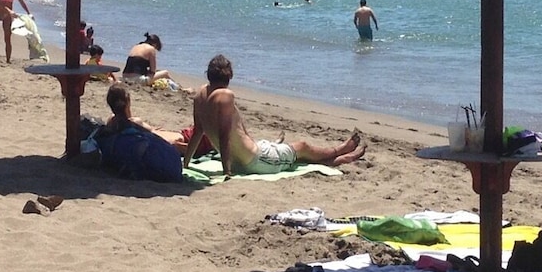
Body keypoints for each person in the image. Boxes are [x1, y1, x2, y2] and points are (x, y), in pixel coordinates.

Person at [184, 55, 364, 177]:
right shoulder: (225, 96)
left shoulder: (200, 94)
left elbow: (198, 132)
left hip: (241, 159)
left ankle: (337, 157)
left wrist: (186, 163)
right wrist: (226, 172)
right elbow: (224, 136)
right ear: (229, 76)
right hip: (255, 161)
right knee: (302, 147)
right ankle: (339, 152)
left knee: (281, 149)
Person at [103, 83, 187, 149]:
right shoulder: (134, 122)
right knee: (180, 137)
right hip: (155, 143)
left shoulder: (111, 121)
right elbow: (154, 135)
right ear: (128, 103)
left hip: (138, 141)